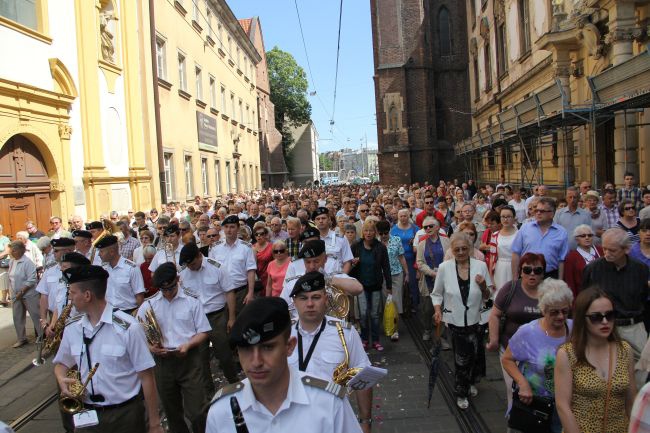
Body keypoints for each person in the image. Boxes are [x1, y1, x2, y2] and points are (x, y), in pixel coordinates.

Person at [205, 296, 361, 433]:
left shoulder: (329, 404)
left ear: (290, 346)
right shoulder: (221, 412)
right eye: (246, 349)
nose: (256, 362)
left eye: (268, 347)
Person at [53, 265, 163, 433]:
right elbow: (61, 363)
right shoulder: (72, 328)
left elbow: (147, 377)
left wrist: (154, 423)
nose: (70, 298)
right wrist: (61, 378)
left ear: (87, 295)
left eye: (73, 293)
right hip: (87, 413)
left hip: (125, 415)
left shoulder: (129, 328)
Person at [288, 271, 373, 433]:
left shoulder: (345, 333)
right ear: (295, 302)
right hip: (291, 420)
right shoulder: (283, 335)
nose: (310, 304)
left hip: (333, 421)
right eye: (303, 298)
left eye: (316, 297)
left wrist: (365, 422)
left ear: (326, 299)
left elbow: (364, 376)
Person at [137, 263, 211, 433]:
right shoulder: (148, 305)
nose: (168, 293)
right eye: (164, 290)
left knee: (197, 410)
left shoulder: (192, 301)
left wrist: (188, 344)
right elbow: (138, 336)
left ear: (177, 280)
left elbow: (204, 331)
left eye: (171, 288)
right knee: (172, 411)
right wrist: (151, 348)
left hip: (188, 359)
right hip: (163, 362)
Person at [555, 288, 636, 433]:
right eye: (596, 317)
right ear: (582, 319)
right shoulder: (567, 354)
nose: (605, 322)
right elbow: (563, 406)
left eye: (610, 315)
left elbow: (631, 402)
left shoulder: (625, 350)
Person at [501, 279, 574, 433]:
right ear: (543, 309)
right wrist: (522, 383)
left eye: (565, 311)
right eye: (554, 312)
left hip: (568, 406)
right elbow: (507, 359)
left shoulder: (575, 330)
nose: (561, 316)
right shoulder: (528, 332)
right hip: (536, 405)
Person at [432, 232, 493, 410]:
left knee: (475, 355)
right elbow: (436, 294)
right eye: (456, 249)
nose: (460, 252)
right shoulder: (444, 267)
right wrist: (437, 310)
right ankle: (461, 391)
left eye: (464, 249)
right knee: (461, 359)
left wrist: (482, 286)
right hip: (456, 321)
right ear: (451, 250)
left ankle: (471, 381)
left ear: (471, 249)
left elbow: (488, 296)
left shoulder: (481, 266)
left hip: (477, 320)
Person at [582, 228, 649, 382]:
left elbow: (643, 297)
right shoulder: (593, 269)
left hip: (633, 325)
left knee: (641, 369)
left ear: (626, 249)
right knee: (604, 372)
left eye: (612, 250)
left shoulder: (640, 269)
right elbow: (584, 300)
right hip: (602, 325)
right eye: (604, 248)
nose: (607, 253)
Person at [487, 252, 545, 406]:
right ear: (520, 271)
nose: (532, 274)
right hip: (511, 351)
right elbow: (494, 315)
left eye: (537, 270)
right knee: (515, 390)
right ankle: (514, 423)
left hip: (541, 354)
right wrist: (494, 339)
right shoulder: (510, 288)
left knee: (539, 391)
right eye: (527, 270)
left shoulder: (550, 291)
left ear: (543, 273)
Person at [179, 242, 237, 388]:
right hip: (197, 320)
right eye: (188, 265)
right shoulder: (184, 274)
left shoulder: (216, 267)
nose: (191, 267)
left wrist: (231, 318)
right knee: (200, 358)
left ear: (199, 256)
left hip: (216, 316)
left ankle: (234, 384)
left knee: (223, 353)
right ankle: (208, 394)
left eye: (192, 263)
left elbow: (229, 292)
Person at [349, 220, 392, 351]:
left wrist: (389, 285)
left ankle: (376, 340)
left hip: (375, 285)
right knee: (363, 313)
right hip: (360, 285)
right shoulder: (356, 246)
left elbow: (386, 267)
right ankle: (365, 339)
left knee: (374, 314)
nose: (368, 233)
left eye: (371, 230)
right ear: (363, 232)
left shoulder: (380, 247)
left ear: (375, 232)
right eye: (366, 230)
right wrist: (353, 263)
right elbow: (348, 265)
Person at [209, 215, 256, 314]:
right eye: (226, 227)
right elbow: (212, 271)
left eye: (232, 227)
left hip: (240, 292)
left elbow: (251, 270)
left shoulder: (246, 247)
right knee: (223, 324)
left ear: (238, 228)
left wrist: (250, 292)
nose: (229, 230)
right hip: (221, 293)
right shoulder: (215, 248)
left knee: (241, 324)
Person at [511, 197, 569, 279]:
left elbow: (561, 260)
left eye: (542, 211)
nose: (538, 213)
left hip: (550, 276)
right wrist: (515, 278)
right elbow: (516, 253)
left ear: (552, 213)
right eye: (536, 210)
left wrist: (560, 281)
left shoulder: (561, 232)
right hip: (527, 274)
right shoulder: (525, 228)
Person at [416, 217, 449, 341]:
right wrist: (432, 273)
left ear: (437, 227)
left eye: (430, 226)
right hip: (428, 280)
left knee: (444, 306)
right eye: (425, 227)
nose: (428, 229)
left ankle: (442, 335)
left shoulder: (446, 241)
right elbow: (419, 263)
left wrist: (442, 272)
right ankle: (427, 329)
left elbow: (451, 258)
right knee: (427, 308)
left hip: (445, 279)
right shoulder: (421, 244)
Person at [97, 235, 145, 315]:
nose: (99, 254)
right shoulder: (104, 269)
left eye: (101, 251)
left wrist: (139, 315)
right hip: (109, 312)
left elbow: (139, 295)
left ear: (112, 252)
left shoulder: (131, 268)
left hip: (129, 312)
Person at [8, 241, 40, 348]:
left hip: (28, 294)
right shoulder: (12, 261)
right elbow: (11, 278)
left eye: (14, 250)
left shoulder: (27, 262)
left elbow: (32, 279)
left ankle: (41, 336)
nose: (12, 252)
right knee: (17, 317)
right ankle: (21, 338)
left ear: (21, 250)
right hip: (15, 294)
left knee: (36, 315)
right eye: (11, 250)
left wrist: (22, 291)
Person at [377, 219, 409, 319]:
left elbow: (401, 257)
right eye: (381, 233)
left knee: (396, 300)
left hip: (396, 274)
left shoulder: (396, 240)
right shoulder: (375, 243)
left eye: (385, 233)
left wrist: (407, 273)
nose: (383, 236)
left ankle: (395, 326)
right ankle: (388, 323)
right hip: (382, 276)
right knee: (385, 300)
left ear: (389, 230)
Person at [391, 208, 419, 311]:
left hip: (411, 259)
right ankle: (400, 307)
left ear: (409, 216)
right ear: (398, 217)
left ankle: (414, 305)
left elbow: (419, 244)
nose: (403, 218)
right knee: (399, 284)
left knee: (412, 283)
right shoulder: (393, 229)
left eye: (405, 216)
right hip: (397, 261)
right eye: (401, 216)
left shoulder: (415, 228)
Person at [563, 224, 603, 298]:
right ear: (576, 239)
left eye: (590, 235)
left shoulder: (601, 251)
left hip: (603, 293)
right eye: (583, 236)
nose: (587, 238)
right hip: (583, 295)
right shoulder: (571, 257)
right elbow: (570, 282)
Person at [313, 207, 353, 274]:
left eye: (323, 218)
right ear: (314, 221)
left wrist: (342, 278)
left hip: (337, 279)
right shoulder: (310, 240)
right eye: (318, 219)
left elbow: (347, 261)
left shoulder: (341, 238)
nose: (320, 221)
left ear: (329, 220)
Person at [490, 206, 518, 293]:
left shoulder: (519, 234)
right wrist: (491, 277)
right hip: (499, 268)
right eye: (503, 216)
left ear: (514, 218)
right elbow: (492, 257)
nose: (505, 219)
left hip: (515, 267)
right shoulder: (495, 235)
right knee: (499, 294)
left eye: (509, 216)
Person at [252, 223, 273, 295]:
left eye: (261, 234)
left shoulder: (272, 247)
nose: (259, 236)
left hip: (269, 278)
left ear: (265, 235)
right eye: (256, 234)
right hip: (256, 279)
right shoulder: (251, 247)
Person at [0, 225, 11, 306]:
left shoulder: (5, 239)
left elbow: (7, 251)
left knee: (4, 280)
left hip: (2, 263)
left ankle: (4, 299)